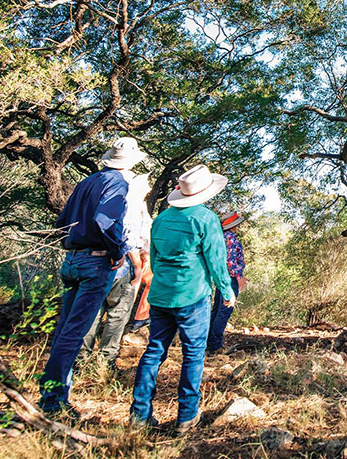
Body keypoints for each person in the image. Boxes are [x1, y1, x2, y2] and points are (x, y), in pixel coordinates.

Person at [39, 137, 146, 417]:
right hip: (96, 262)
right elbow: (105, 220)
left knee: (65, 329)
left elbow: (62, 222)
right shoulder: (118, 184)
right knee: (74, 332)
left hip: (72, 259)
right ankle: (53, 400)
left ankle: (53, 392)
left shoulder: (86, 182)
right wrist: (117, 251)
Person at [129, 164, 235, 434]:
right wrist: (226, 289)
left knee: (154, 351)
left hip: (161, 295)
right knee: (193, 355)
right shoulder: (206, 218)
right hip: (192, 295)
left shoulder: (162, 219)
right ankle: (186, 417)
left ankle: (139, 415)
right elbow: (215, 259)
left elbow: (153, 255)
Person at [81, 172, 152, 367]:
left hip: (100, 264)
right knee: (117, 314)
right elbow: (129, 239)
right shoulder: (132, 205)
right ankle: (105, 361)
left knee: (95, 311)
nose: (149, 188)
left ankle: (82, 358)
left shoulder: (114, 201)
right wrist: (137, 266)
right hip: (123, 266)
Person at [206, 211, 247, 353]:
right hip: (230, 279)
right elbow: (230, 261)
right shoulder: (230, 238)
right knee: (224, 310)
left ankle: (209, 342)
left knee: (217, 309)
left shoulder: (221, 237)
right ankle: (215, 345)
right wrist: (238, 277)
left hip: (222, 278)